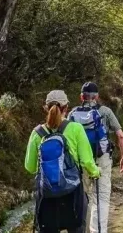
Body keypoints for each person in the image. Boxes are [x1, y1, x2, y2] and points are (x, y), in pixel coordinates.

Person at [25, 90, 100, 233]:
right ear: (66, 108)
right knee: (77, 227)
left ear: (46, 108)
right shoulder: (76, 128)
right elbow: (87, 162)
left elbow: (29, 166)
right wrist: (96, 172)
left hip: (47, 195)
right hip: (73, 193)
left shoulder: (37, 133)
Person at [69, 82, 123, 233]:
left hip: (81, 162)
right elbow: (120, 136)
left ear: (81, 97)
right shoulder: (105, 111)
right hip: (102, 159)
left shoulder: (73, 113)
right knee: (101, 197)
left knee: (84, 198)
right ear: (97, 97)